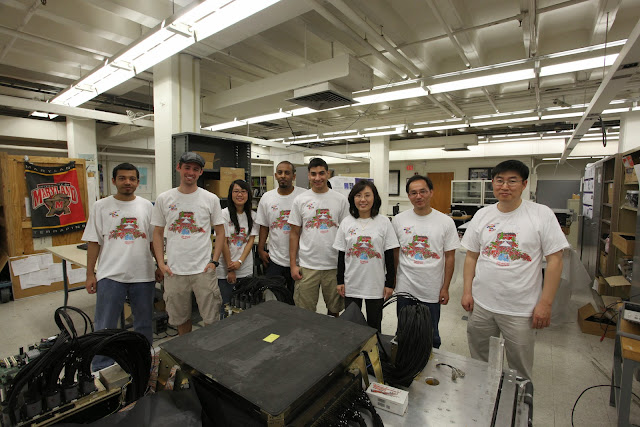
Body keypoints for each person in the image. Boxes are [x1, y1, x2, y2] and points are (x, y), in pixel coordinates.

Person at [461, 160, 568, 380]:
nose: (505, 186)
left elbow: (555, 260)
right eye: (499, 180)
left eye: (512, 181)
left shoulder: (541, 214)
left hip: (520, 310)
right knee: (479, 361)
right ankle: (482, 397)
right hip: (482, 305)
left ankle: (518, 401)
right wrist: (467, 291)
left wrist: (545, 304)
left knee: (519, 370)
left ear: (524, 184)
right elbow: (471, 256)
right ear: (492, 183)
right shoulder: (483, 215)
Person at [83, 163, 162, 371]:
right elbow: (93, 242)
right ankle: (101, 367)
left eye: (132, 178)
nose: (127, 182)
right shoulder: (101, 206)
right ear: (113, 181)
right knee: (105, 325)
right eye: (122, 178)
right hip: (110, 275)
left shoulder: (147, 206)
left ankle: (143, 361)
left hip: (143, 275)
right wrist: (90, 274)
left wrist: (159, 265)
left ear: (137, 182)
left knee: (144, 324)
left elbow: (153, 241)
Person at [151, 152, 225, 335]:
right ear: (179, 168)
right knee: (181, 320)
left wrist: (214, 261)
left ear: (200, 172)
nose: (191, 172)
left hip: (203, 270)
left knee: (211, 319)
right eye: (187, 168)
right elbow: (157, 233)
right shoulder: (164, 199)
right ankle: (185, 352)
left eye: (195, 169)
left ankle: (209, 351)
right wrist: (160, 263)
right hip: (174, 271)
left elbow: (220, 232)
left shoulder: (210, 199)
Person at [392, 175, 460, 348]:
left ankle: (430, 360)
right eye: (413, 193)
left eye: (423, 191)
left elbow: (450, 257)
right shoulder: (399, 220)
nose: (418, 196)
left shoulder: (445, 222)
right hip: (405, 287)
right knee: (404, 331)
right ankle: (405, 361)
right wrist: (393, 280)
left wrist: (445, 287)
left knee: (430, 333)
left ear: (431, 192)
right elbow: (395, 252)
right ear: (409, 196)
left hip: (432, 288)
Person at [333, 181, 399, 331]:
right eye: (358, 195)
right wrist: (340, 280)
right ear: (353, 199)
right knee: (351, 325)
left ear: (374, 198)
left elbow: (389, 255)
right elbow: (341, 254)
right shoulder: (346, 222)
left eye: (367, 195)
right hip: (351, 282)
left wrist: (390, 283)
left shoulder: (384, 222)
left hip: (375, 284)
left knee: (374, 325)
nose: (363, 199)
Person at [288, 157, 349, 315]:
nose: (317, 178)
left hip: (333, 265)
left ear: (328, 174)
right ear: (308, 175)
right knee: (305, 311)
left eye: (321, 173)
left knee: (334, 310)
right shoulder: (300, 200)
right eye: (313, 174)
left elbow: (346, 234)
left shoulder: (341, 200)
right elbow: (294, 233)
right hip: (307, 265)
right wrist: (293, 264)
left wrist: (345, 266)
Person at [256, 161, 306, 294]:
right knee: (274, 297)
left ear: (294, 176)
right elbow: (264, 226)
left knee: (297, 299)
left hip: (301, 260)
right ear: (275, 175)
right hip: (275, 259)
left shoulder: (304, 196)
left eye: (287, 173)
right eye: (280, 172)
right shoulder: (267, 197)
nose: (283, 175)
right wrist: (260, 249)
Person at [217, 180, 259, 313]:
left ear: (248, 195)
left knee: (244, 306)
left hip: (245, 268)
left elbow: (250, 241)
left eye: (243, 191)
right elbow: (223, 242)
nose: (240, 195)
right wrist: (230, 268)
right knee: (226, 306)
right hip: (225, 269)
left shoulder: (253, 216)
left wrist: (240, 261)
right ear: (231, 194)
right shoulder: (223, 214)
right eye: (236, 191)